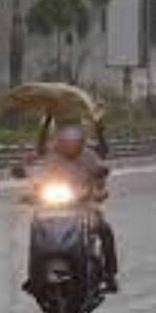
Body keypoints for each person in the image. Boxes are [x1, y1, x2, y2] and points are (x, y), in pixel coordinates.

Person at [29, 115, 119, 293]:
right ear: (60, 138)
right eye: (66, 137)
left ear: (81, 138)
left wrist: (98, 192)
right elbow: (39, 171)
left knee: (105, 230)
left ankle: (110, 275)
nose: (70, 141)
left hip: (84, 207)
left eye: (74, 137)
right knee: (35, 229)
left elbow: (100, 175)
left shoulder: (89, 155)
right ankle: (34, 276)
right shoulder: (52, 154)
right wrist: (33, 191)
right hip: (53, 209)